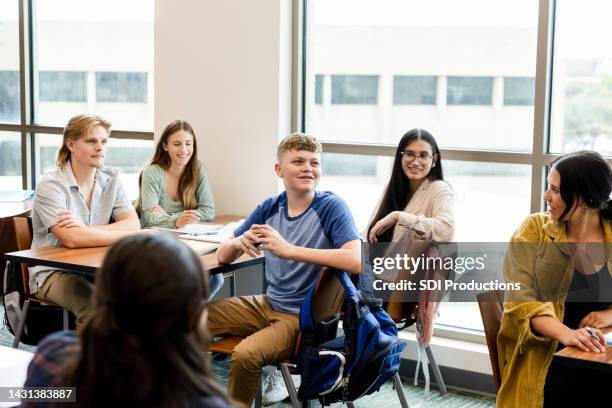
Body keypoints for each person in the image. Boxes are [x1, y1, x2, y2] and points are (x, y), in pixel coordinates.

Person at [209, 133, 361, 406]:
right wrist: (236, 243)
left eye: (314, 162)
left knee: (246, 354)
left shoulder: (331, 207)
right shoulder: (270, 207)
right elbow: (222, 253)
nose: (307, 168)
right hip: (268, 303)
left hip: (301, 318)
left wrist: (288, 249)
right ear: (279, 170)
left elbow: (357, 260)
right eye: (298, 161)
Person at [22, 234, 234, 408]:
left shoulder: (54, 356)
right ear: (194, 314)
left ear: (102, 295)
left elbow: (30, 399)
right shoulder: (202, 402)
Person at [497, 151, 612, 408]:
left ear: (583, 198)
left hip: (598, 354)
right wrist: (568, 335)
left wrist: (609, 315)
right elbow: (519, 300)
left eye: (555, 190)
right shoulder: (534, 230)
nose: (546, 196)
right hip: (547, 360)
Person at [29, 114, 140, 329]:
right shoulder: (51, 184)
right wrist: (113, 232)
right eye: (91, 141)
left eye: (104, 141)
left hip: (97, 269)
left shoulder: (112, 178)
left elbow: (133, 226)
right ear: (70, 144)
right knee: (96, 309)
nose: (100, 148)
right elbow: (71, 239)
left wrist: (84, 230)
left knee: (144, 299)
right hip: (53, 273)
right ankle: (88, 364)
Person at [364, 128, 454, 344]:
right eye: (410, 154)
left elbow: (447, 229)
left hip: (395, 290)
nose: (416, 161)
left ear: (434, 160)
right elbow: (370, 234)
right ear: (400, 157)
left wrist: (398, 216)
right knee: (333, 278)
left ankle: (341, 364)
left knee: (339, 295)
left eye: (423, 155)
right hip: (376, 279)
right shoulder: (394, 188)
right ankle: (334, 360)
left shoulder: (438, 189)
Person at [137, 119, 222, 299]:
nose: (184, 150)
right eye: (177, 144)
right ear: (165, 146)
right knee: (175, 279)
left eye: (188, 144)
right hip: (155, 242)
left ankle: (185, 319)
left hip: (189, 240)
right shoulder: (152, 173)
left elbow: (208, 210)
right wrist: (177, 220)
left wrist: (171, 216)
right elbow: (148, 217)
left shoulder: (197, 169)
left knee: (215, 278)